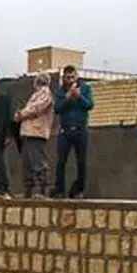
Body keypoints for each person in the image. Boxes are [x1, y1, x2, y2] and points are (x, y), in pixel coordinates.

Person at [53, 65, 94, 198]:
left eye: (73, 77)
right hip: (65, 131)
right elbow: (57, 108)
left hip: (80, 130)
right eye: (68, 78)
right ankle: (59, 190)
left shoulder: (85, 88)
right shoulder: (60, 91)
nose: (71, 80)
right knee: (61, 161)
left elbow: (90, 105)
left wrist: (79, 96)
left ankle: (79, 190)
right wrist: (67, 98)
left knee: (81, 162)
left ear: (76, 76)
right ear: (63, 78)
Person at [17, 72, 54, 198]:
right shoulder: (36, 94)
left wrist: (22, 114)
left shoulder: (45, 93)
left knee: (38, 162)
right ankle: (28, 190)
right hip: (28, 132)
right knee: (27, 163)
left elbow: (37, 108)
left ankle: (42, 190)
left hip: (37, 132)